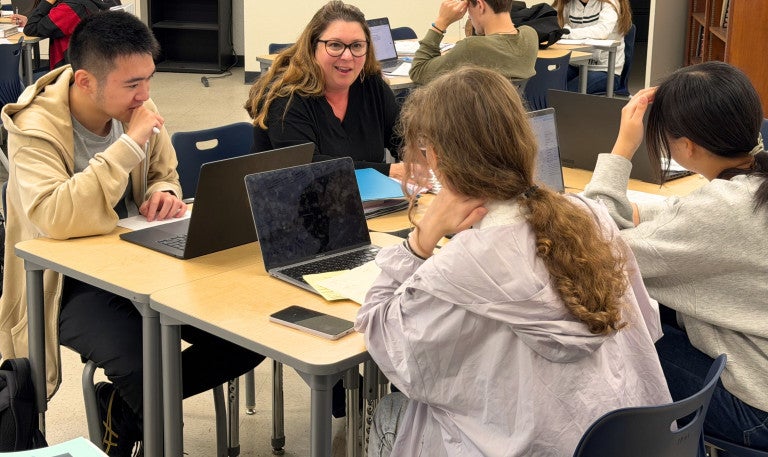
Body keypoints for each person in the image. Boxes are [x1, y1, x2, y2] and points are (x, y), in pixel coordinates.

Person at [355, 66, 671, 456]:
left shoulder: (460, 266)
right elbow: (647, 326)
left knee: (389, 412)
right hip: (624, 439)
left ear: (435, 156)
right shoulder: (589, 216)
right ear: (523, 139)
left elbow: (381, 335)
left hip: (534, 445)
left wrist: (422, 239)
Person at [0, 11, 265, 456]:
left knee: (246, 335)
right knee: (145, 365)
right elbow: (56, 216)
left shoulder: (137, 107)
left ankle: (121, 413)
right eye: (131, 85)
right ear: (85, 81)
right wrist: (127, 146)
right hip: (64, 284)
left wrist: (164, 190)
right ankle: (144, 417)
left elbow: (166, 171)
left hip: (139, 263)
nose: (145, 96)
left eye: (149, 80)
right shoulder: (33, 128)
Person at [583, 61, 768, 450]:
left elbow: (591, 244)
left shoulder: (719, 211)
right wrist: (635, 212)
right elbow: (687, 221)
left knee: (612, 331)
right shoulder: (753, 182)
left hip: (756, 413)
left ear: (686, 146)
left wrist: (623, 147)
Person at [244, 1, 406, 180]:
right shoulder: (285, 96)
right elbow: (309, 167)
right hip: (289, 200)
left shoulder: (370, 83)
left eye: (357, 46)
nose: (347, 56)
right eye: (335, 45)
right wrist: (389, 171)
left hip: (365, 201)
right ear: (313, 46)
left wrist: (421, 158)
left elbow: (402, 138)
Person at [409, 0, 538, 86]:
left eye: (468, 7)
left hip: (471, 125)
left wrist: (441, 23)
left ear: (481, 6)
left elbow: (418, 71)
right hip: (511, 122)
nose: (468, 16)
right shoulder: (530, 36)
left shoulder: (471, 47)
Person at [11, 0, 120, 70]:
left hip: (68, 74)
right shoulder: (109, 1)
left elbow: (31, 28)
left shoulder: (72, 7)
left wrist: (48, 1)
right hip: (101, 66)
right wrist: (29, 21)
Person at [551, 0, 632, 94]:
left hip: (604, 69)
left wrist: (568, 32)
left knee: (566, 92)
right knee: (546, 85)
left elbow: (602, 31)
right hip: (575, 65)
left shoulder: (610, 3)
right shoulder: (568, 3)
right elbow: (553, 25)